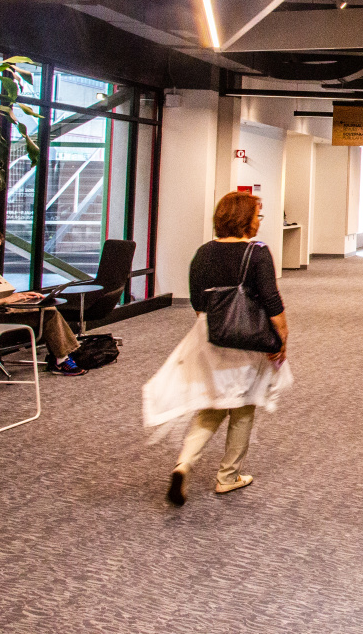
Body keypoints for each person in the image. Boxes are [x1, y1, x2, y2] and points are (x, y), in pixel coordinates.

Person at [143, 191, 291, 505]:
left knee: (212, 405)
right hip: (248, 339)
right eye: (256, 215)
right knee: (243, 406)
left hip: (210, 337)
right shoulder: (258, 253)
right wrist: (282, 337)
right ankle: (228, 477)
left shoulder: (202, 252)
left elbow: (198, 303)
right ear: (244, 219)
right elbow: (271, 301)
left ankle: (184, 462)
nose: (258, 221)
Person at [0, 226, 87, 376]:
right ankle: (63, 359)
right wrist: (6, 300)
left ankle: (64, 356)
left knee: (45, 309)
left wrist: (21, 296)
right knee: (48, 314)